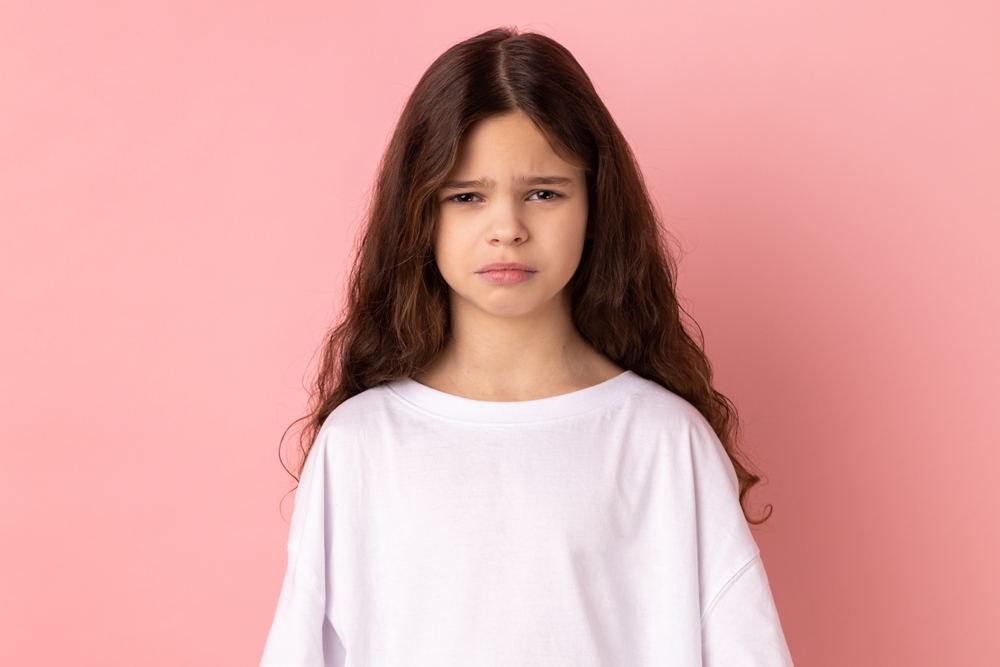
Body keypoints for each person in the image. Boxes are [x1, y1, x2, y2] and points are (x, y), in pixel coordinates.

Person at [259, 26, 794, 667]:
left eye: (543, 192)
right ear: (418, 215)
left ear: (596, 206)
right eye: (466, 197)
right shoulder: (360, 445)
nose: (507, 228)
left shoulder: (664, 442)